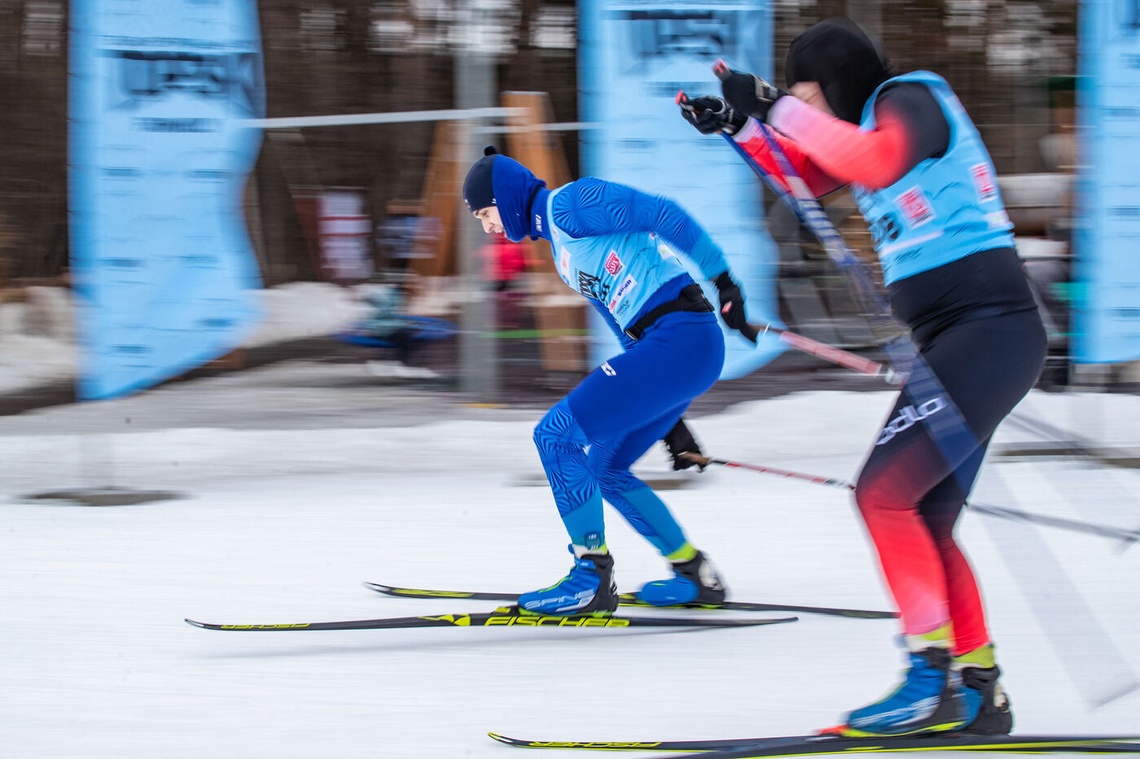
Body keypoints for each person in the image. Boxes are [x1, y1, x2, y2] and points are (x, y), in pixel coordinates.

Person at [679, 18, 1046, 739]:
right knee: (925, 514)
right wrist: (743, 125)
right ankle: (978, 688)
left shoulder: (910, 99)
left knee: (882, 495)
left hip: (988, 331)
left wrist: (776, 106)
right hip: (961, 339)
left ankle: (928, 677)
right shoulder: (859, 125)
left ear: (839, 79)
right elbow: (806, 178)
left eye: (813, 96)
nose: (809, 112)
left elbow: (876, 164)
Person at [462, 146, 753, 616]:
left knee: (554, 437)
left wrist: (724, 280)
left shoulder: (572, 204)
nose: (487, 226)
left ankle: (589, 578)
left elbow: (663, 213)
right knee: (606, 468)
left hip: (681, 339)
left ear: (506, 196)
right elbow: (624, 325)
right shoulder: (560, 249)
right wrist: (668, 419)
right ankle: (693, 574)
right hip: (669, 352)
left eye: (485, 212)